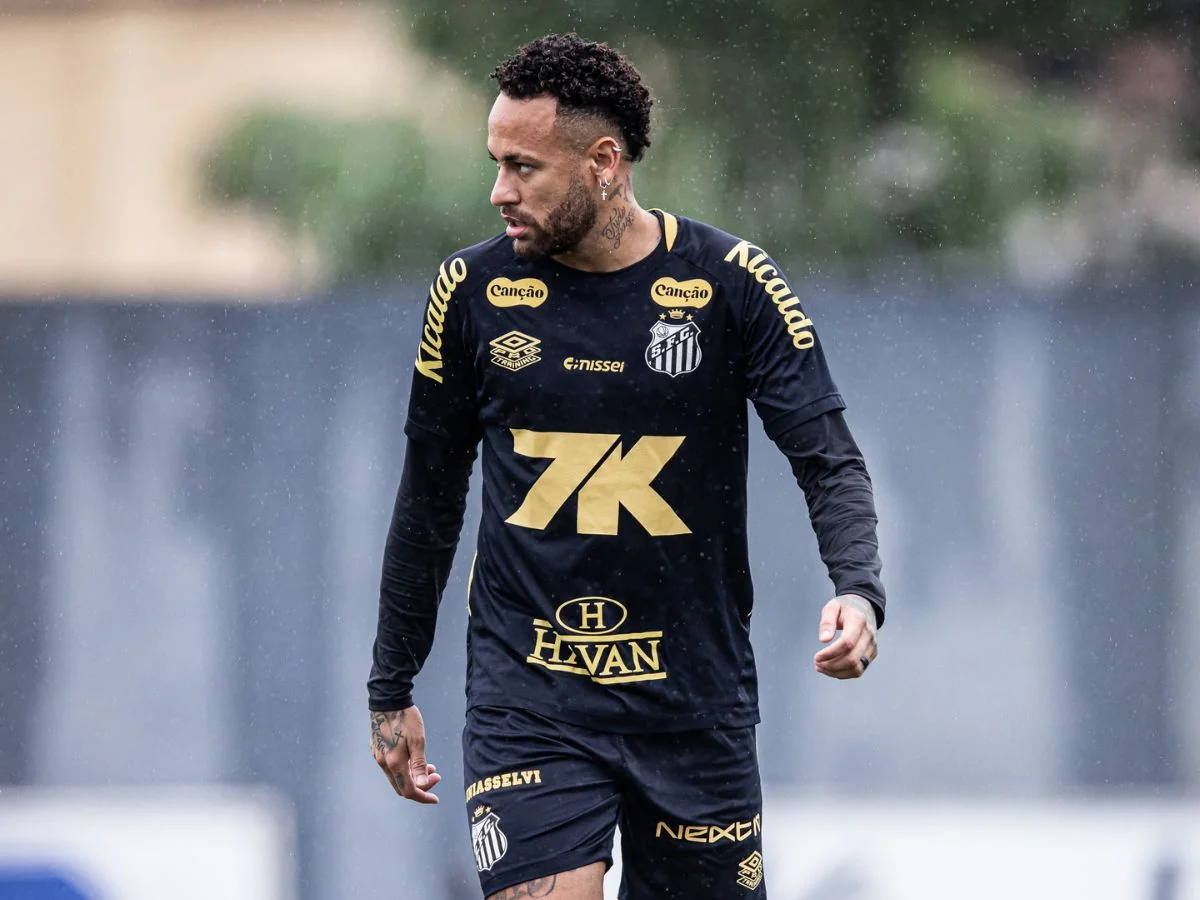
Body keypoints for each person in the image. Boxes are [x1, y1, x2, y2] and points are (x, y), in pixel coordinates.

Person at [368, 33, 886, 900]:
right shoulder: (471, 292)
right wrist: (391, 687)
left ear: (604, 163)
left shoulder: (732, 283)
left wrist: (858, 590)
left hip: (694, 703)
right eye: (496, 165)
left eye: (524, 167)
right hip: (530, 700)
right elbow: (427, 500)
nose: (499, 192)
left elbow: (828, 458)